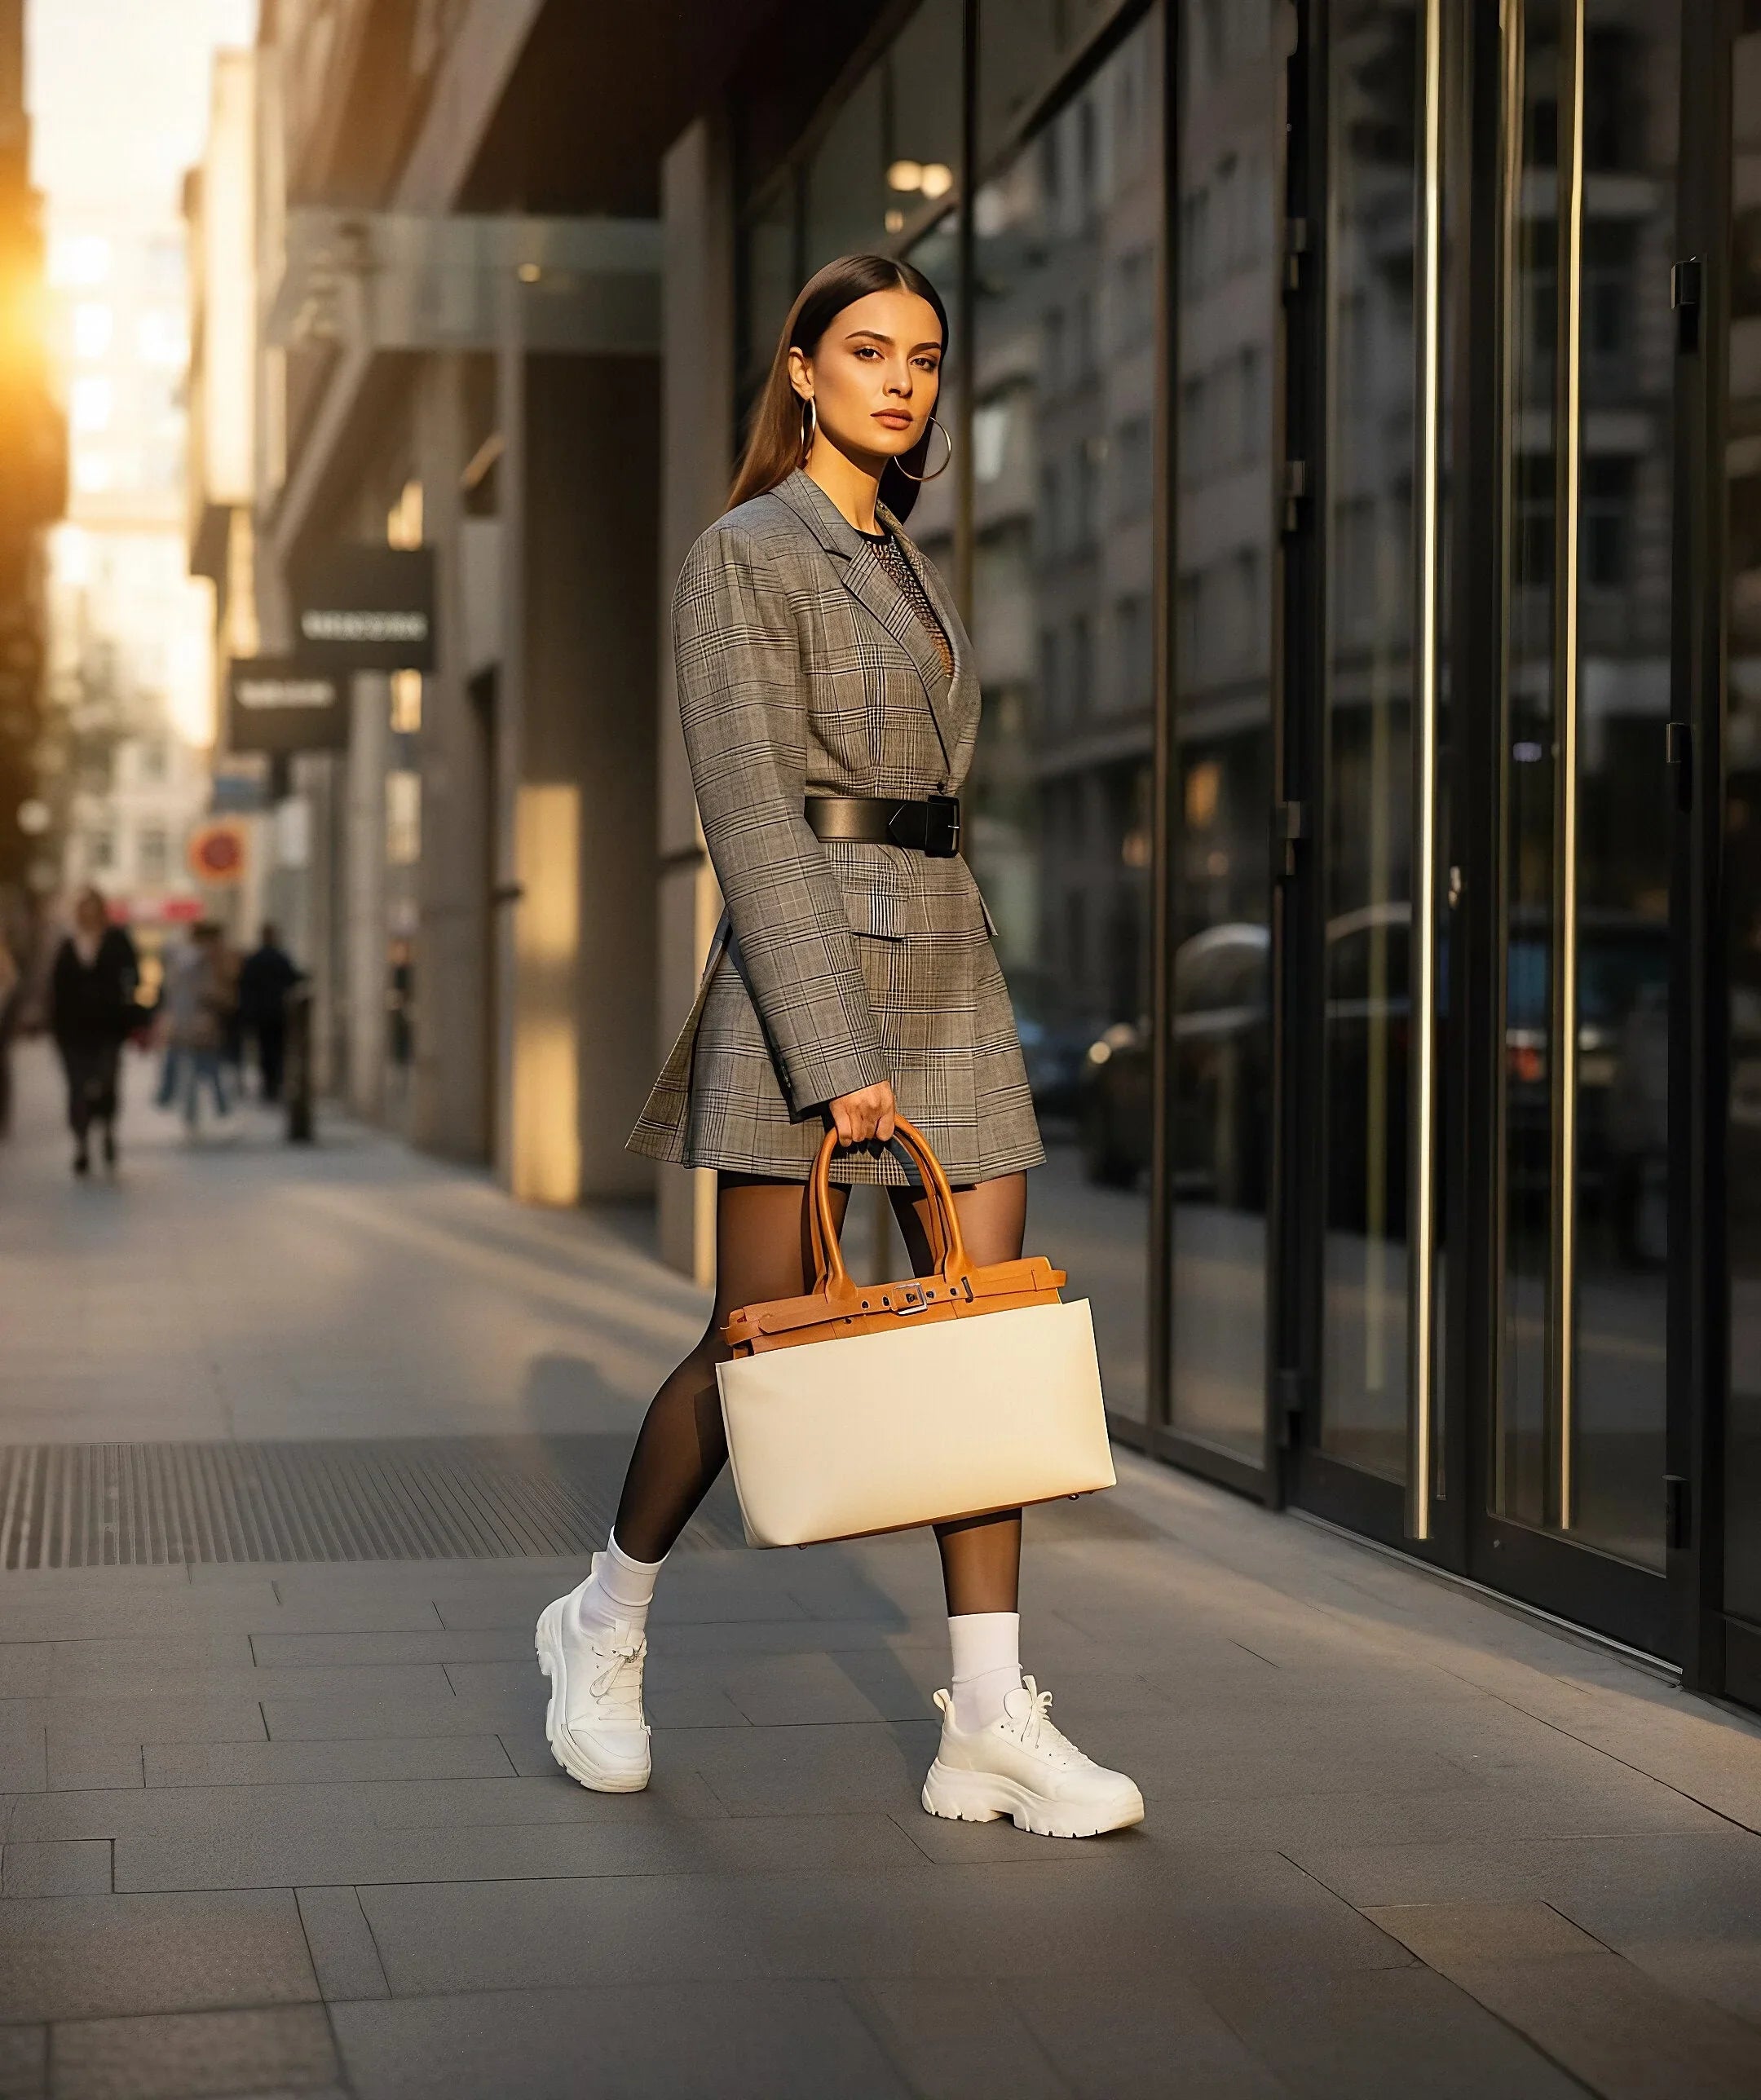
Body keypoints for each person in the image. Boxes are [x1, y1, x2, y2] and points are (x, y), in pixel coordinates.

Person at [537, 254, 1144, 1839]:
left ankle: (992, 1720)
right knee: (759, 1346)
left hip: (949, 956)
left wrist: (937, 994)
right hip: (811, 971)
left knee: (983, 1338)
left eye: (927, 358)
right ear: (802, 370)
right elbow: (747, 808)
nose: (902, 380)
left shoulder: (907, 561)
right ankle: (603, 1621)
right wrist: (830, 1044)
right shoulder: (746, 551)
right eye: (868, 351)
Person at [49, 886, 139, 1175]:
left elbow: (132, 977)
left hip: (108, 1028)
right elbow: (56, 987)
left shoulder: (117, 940)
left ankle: (108, 1131)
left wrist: (129, 1007)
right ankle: (82, 1144)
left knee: (108, 1082)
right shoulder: (67, 944)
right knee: (76, 1088)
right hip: (72, 1030)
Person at [158, 922, 234, 1132]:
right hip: (200, 1020)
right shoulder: (203, 962)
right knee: (207, 1066)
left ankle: (189, 1110)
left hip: (187, 1020)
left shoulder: (182, 960)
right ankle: (215, 1109)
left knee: (193, 1066)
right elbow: (212, 992)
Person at [237, 923, 299, 1102]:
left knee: (266, 1051)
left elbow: (245, 987)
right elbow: (292, 978)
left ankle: (269, 1085)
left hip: (262, 1015)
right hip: (277, 1013)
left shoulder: (254, 960)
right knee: (277, 1050)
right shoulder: (279, 958)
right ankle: (274, 1083)